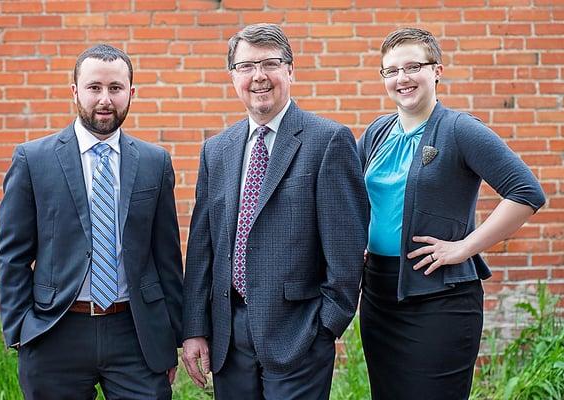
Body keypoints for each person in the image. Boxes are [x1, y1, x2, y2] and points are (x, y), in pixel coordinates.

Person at [357, 27, 546, 400]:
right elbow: (353, 195)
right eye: (391, 71)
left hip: (440, 298)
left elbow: (525, 192)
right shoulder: (378, 131)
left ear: (437, 71)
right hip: (379, 294)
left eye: (413, 67)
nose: (402, 78)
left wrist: (463, 248)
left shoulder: (460, 129)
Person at [181, 23, 367, 399]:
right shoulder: (216, 150)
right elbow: (203, 249)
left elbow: (346, 251)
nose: (259, 76)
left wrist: (324, 328)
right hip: (229, 338)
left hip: (298, 334)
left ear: (290, 71)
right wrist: (195, 327)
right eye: (246, 66)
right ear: (233, 75)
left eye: (270, 64)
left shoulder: (328, 141)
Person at [0, 44, 183, 399]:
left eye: (115, 88)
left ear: (131, 92)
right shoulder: (33, 160)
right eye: (94, 87)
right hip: (56, 330)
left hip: (135, 333)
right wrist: (20, 329)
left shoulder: (154, 162)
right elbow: (13, 254)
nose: (105, 99)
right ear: (75, 91)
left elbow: (167, 258)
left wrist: (171, 337)